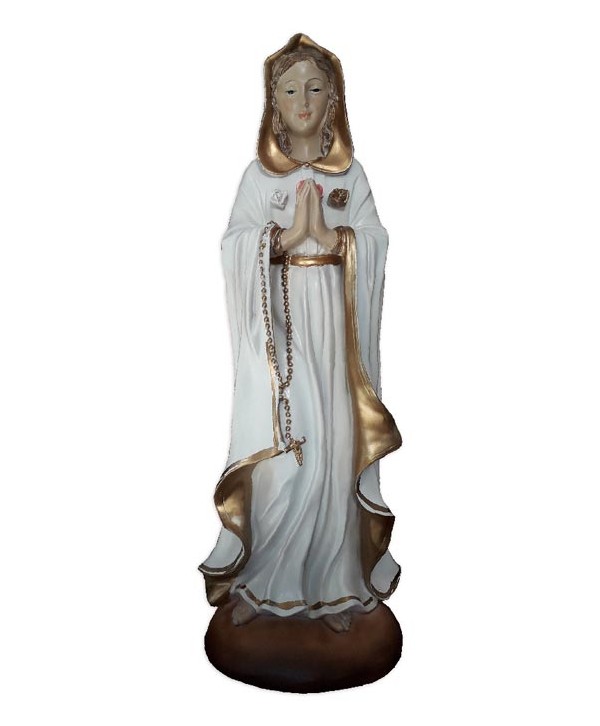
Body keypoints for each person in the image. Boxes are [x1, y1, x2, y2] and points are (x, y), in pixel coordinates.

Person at [198, 33, 402, 634]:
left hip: (333, 330)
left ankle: (334, 588)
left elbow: (376, 240)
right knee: (285, 455)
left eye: (314, 88)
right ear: (274, 103)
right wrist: (284, 239)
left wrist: (335, 239)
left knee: (334, 444)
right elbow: (233, 245)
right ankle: (268, 585)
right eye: (290, 90)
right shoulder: (258, 178)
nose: (303, 101)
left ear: (333, 99)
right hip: (279, 335)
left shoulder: (352, 174)